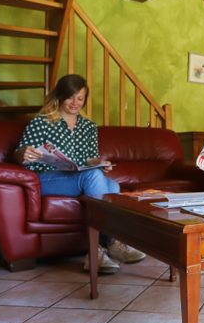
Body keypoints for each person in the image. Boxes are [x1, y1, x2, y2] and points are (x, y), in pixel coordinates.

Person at [14, 74, 145, 274]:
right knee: (93, 178)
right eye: (70, 97)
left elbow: (90, 158)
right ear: (60, 96)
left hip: (76, 177)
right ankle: (107, 244)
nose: (75, 103)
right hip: (48, 178)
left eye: (80, 98)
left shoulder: (89, 127)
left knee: (113, 186)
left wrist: (99, 163)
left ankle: (99, 251)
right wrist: (23, 153)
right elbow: (19, 153)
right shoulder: (41, 122)